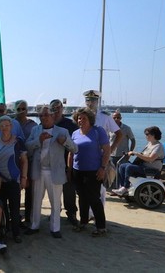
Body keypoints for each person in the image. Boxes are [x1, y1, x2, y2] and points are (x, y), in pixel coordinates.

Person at [25, 106, 77, 239]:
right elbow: (28, 147)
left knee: (55, 201)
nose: (43, 118)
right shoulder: (35, 130)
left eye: (46, 115)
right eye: (41, 116)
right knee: (36, 200)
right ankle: (34, 225)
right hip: (38, 170)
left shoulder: (63, 131)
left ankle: (55, 228)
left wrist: (64, 141)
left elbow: (75, 149)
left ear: (52, 116)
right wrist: (39, 141)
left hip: (55, 171)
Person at [68, 107, 110, 237]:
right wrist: (69, 170)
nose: (81, 120)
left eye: (84, 118)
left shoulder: (98, 131)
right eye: (79, 118)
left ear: (90, 119)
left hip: (93, 171)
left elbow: (107, 151)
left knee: (94, 199)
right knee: (82, 198)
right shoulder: (75, 133)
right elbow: (71, 152)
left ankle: (101, 227)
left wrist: (103, 168)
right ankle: (83, 222)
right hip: (77, 170)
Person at [0, 115, 28, 243]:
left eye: (7, 125)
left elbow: (24, 161)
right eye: (2, 126)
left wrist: (24, 178)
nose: (5, 128)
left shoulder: (18, 141)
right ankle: (4, 230)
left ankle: (16, 233)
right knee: (2, 207)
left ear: (11, 126)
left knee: (15, 209)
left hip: (13, 180)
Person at [83, 90, 122, 211]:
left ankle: (97, 215)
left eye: (93, 100)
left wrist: (111, 150)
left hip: (100, 156)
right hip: (84, 156)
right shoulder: (81, 116)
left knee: (100, 188)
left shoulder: (105, 117)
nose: (90, 103)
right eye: (88, 100)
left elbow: (119, 134)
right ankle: (88, 214)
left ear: (97, 101)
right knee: (85, 187)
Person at [112, 126, 165, 196]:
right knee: (122, 165)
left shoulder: (158, 146)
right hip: (144, 166)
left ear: (153, 135)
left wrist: (135, 153)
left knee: (129, 168)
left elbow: (150, 159)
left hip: (151, 169)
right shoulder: (149, 144)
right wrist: (133, 153)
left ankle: (125, 187)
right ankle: (122, 187)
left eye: (147, 134)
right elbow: (143, 155)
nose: (146, 136)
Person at [50, 98, 79, 226]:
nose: (56, 110)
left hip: (67, 163)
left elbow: (75, 146)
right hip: (51, 165)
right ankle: (55, 213)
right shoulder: (47, 124)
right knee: (53, 192)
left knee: (69, 191)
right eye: (53, 108)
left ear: (62, 109)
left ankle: (71, 214)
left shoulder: (71, 124)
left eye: (58, 108)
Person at [13, 99, 37, 224]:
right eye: (18, 109)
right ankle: (16, 217)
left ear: (27, 110)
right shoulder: (11, 123)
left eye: (24, 109)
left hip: (30, 161)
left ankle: (28, 217)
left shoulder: (33, 125)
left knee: (30, 190)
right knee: (15, 190)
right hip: (15, 162)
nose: (21, 111)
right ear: (15, 110)